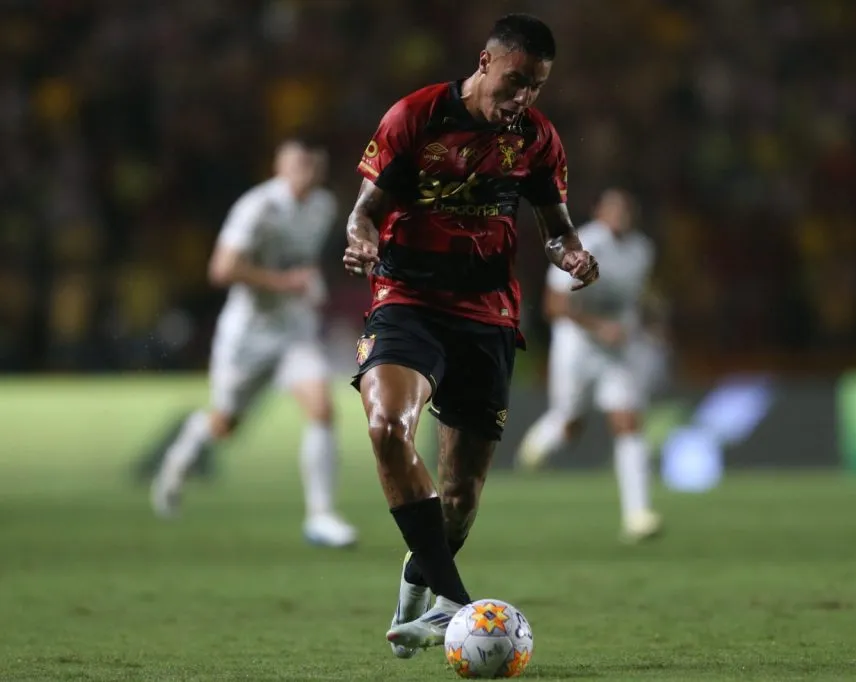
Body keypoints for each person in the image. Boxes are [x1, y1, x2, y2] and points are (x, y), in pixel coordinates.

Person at [343, 13, 599, 656]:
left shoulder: (537, 138)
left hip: (486, 315)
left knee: (459, 497)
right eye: (516, 82)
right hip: (407, 300)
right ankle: (458, 601)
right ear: (485, 63)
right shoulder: (417, 117)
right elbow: (364, 212)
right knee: (386, 427)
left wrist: (571, 254)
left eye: (536, 86)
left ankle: (415, 597)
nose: (524, 99)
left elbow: (556, 225)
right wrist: (362, 239)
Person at [150, 135, 357, 549]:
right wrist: (285, 282)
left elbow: (300, 259)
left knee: (321, 408)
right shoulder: (256, 208)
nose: (308, 172)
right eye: (300, 163)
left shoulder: (324, 206)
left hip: (294, 331)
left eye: (315, 164)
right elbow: (221, 269)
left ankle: (321, 517)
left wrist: (309, 280)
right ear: (279, 166)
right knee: (226, 424)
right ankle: (187, 445)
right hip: (248, 335)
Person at [515, 188, 663, 543]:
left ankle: (638, 514)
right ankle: (540, 440)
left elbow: (635, 299)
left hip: (617, 351)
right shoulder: (579, 244)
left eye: (625, 209)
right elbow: (553, 306)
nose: (620, 215)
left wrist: (649, 325)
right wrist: (599, 327)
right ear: (598, 211)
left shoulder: (643, 250)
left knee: (627, 420)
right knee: (570, 425)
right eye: (613, 208)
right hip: (577, 346)